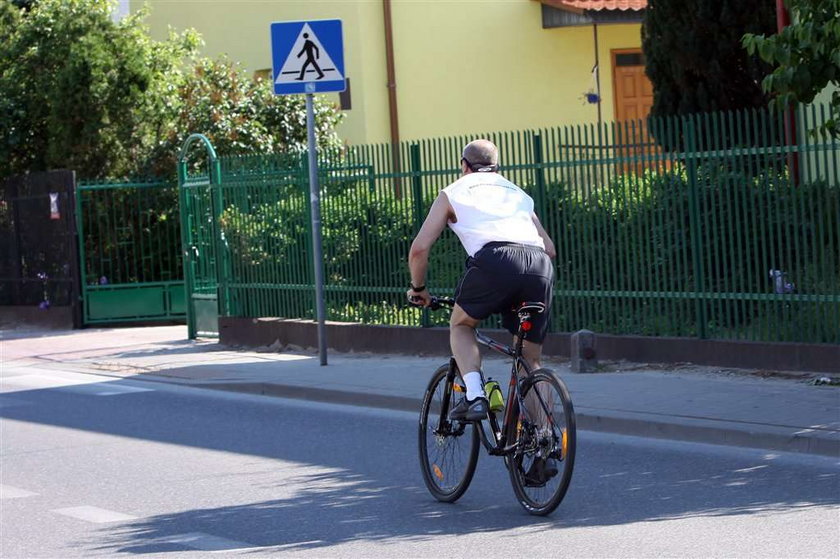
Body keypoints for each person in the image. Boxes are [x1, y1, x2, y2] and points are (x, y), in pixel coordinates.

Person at [407, 139, 556, 422]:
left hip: (495, 261)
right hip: (539, 265)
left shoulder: (453, 192)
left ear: (464, 165)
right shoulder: (517, 194)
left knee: (461, 325)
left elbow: (419, 249)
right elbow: (550, 248)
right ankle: (544, 442)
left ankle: (475, 396)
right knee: (530, 359)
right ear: (497, 166)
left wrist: (419, 288)